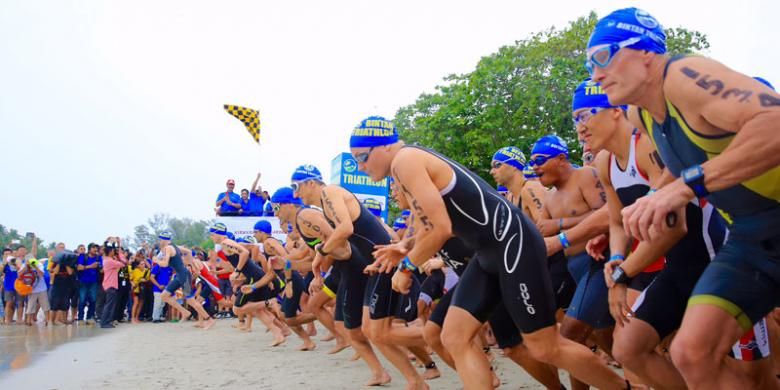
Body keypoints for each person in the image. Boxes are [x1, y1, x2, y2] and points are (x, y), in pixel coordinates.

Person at [351, 115, 627, 389]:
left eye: (362, 157)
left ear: (385, 146)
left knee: (544, 346)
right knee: (454, 336)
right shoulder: (406, 163)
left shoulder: (404, 160)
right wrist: (404, 247)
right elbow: (428, 223)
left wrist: (407, 267)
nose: (360, 167)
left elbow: (441, 228)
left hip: (513, 244)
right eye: (355, 161)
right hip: (488, 251)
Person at [586, 8, 780, 388]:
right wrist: (658, 193)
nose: (596, 74)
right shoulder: (642, 115)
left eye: (603, 57)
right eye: (590, 63)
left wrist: (686, 185)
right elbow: (685, 161)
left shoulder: (684, 75)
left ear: (645, 53)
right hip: (750, 238)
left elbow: (774, 123)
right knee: (691, 352)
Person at [291, 165, 394, 386]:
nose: (296, 194)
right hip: (371, 265)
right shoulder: (324, 208)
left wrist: (322, 252)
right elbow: (339, 240)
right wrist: (320, 257)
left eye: (297, 187)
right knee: (360, 331)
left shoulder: (329, 194)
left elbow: (345, 232)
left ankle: (429, 349)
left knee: (375, 331)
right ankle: (384, 372)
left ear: (311, 183)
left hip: (377, 264)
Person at [156, 232, 215, 330]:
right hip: (180, 275)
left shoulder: (168, 248)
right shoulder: (174, 246)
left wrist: (156, 260)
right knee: (164, 296)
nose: (159, 242)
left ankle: (209, 319)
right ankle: (185, 312)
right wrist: (190, 262)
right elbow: (188, 250)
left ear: (163, 240)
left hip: (183, 276)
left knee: (190, 300)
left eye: (160, 240)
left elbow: (165, 264)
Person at [100, 238, 127, 329]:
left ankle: (107, 321)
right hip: (110, 285)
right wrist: (119, 252)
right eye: (113, 250)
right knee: (109, 304)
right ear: (110, 251)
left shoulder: (107, 260)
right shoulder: (110, 261)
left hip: (109, 284)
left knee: (110, 304)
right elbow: (124, 263)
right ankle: (104, 322)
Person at [76, 243, 100, 324]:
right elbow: (79, 267)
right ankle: (80, 318)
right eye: (93, 248)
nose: (95, 250)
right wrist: (90, 266)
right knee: (82, 300)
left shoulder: (98, 258)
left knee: (93, 300)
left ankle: (90, 317)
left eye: (96, 248)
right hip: (83, 282)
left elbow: (101, 269)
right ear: (89, 249)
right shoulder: (83, 257)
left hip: (94, 282)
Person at [150, 253, 173, 323]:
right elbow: (151, 277)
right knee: (157, 303)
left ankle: (159, 316)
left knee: (162, 304)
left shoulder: (169, 268)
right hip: (157, 289)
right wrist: (159, 285)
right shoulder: (157, 267)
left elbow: (170, 278)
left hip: (165, 289)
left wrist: (167, 286)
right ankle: (155, 318)